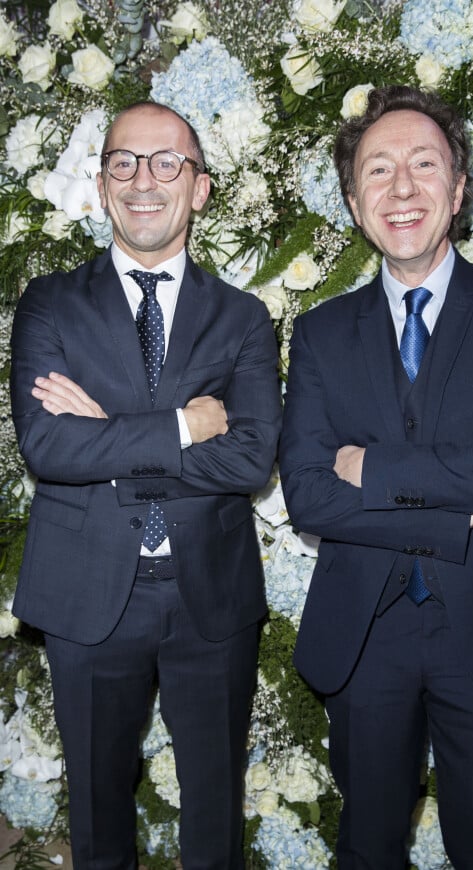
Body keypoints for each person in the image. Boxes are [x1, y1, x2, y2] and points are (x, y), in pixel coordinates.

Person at [279, 85, 473, 869]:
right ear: (353, 201)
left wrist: (372, 468)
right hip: (364, 632)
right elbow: (310, 492)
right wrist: (464, 507)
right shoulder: (318, 334)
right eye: (378, 170)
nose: (401, 188)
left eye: (423, 164)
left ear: (458, 188)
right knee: (368, 847)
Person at [10, 101, 281, 869]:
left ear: (199, 188)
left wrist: (111, 433)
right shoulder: (49, 303)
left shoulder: (244, 318)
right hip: (85, 594)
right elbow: (49, 445)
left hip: (212, 598)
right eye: (123, 162)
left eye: (167, 163)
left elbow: (250, 460)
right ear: (101, 185)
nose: (143, 180)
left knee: (215, 816)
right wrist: (182, 427)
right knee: (98, 817)